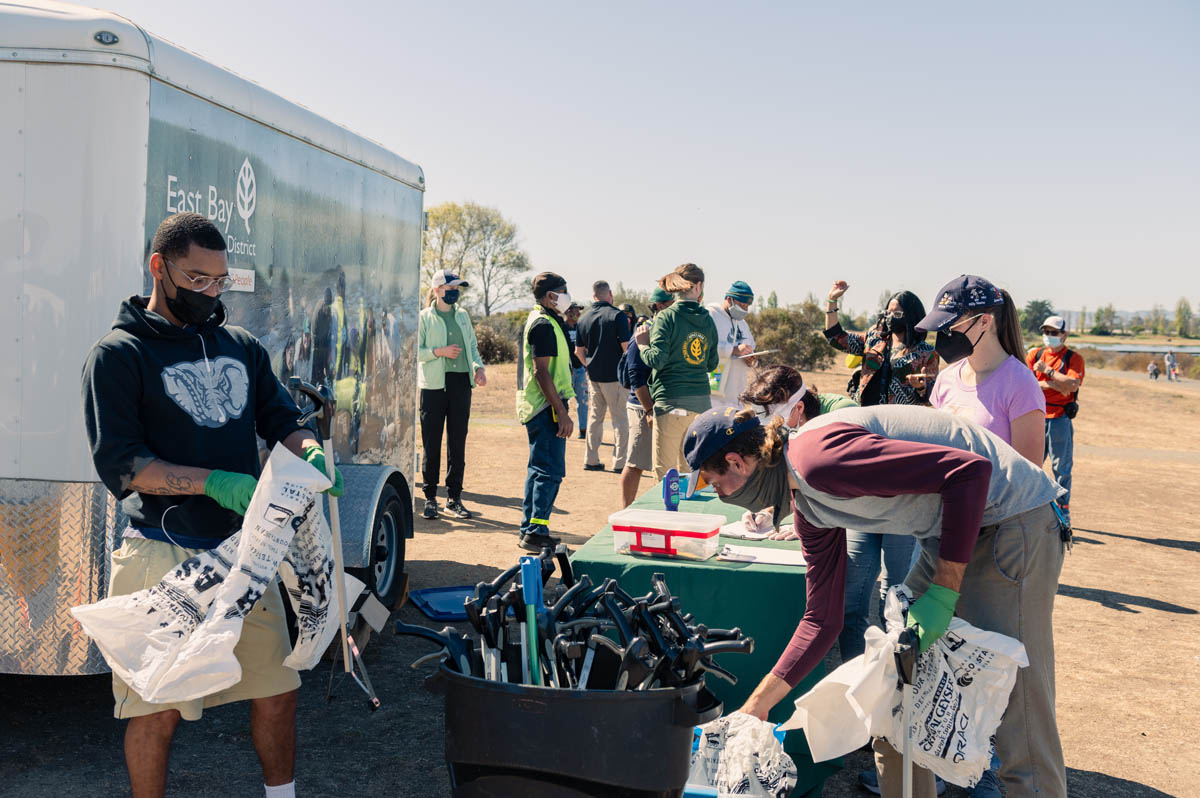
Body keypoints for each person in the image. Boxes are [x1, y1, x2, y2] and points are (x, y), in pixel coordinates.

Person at [81, 212, 343, 798]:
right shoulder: (118, 356)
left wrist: (311, 455)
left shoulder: (240, 346)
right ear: (159, 267)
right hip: (160, 557)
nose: (209, 293)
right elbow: (125, 465)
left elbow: (283, 420)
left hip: (247, 556)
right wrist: (216, 483)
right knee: (158, 710)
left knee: (278, 692)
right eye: (197, 280)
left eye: (219, 281)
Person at [684, 404, 1068, 798]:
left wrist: (943, 592)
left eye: (715, 484)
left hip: (1014, 519)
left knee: (1020, 708)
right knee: (894, 693)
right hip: (948, 532)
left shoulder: (817, 461)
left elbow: (969, 474)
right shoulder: (810, 508)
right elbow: (821, 619)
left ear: (737, 462)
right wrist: (757, 706)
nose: (720, 495)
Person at [874, 276, 1045, 798]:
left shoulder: (1020, 384)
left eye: (950, 327)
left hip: (1002, 542)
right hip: (943, 537)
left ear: (984, 322)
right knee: (912, 661)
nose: (941, 337)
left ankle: (1007, 778)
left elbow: (1029, 474)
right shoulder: (947, 380)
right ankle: (923, 778)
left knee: (1019, 689)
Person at [633, 263, 719, 479]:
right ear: (698, 286)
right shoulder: (707, 319)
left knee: (665, 474)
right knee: (689, 472)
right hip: (700, 405)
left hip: (670, 402)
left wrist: (643, 343)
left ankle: (667, 513)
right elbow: (711, 364)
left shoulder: (666, 317)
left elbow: (657, 360)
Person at [417, 269, 486, 520]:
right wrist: (440, 351)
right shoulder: (424, 317)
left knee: (458, 444)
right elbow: (416, 351)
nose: (455, 292)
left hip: (460, 385)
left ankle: (454, 498)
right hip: (433, 387)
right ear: (437, 290)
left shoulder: (463, 316)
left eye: (457, 288)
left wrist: (478, 368)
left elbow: (472, 347)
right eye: (450, 288)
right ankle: (430, 498)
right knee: (431, 444)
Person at [516, 272, 576, 551]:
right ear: (551, 295)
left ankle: (532, 526)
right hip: (546, 407)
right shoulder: (543, 324)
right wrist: (561, 411)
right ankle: (536, 530)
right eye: (563, 291)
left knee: (539, 468)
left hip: (544, 405)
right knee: (549, 470)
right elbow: (542, 373)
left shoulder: (549, 320)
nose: (566, 296)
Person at [824, 282, 938, 405]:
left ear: (911, 317)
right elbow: (836, 338)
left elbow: (931, 398)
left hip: (898, 420)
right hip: (866, 415)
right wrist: (832, 300)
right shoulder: (874, 339)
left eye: (897, 314)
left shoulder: (927, 353)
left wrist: (920, 388)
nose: (890, 317)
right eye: (888, 313)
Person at [619, 287, 674, 507]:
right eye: (672, 305)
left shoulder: (667, 332)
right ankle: (625, 511)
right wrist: (649, 410)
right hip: (642, 406)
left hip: (663, 406)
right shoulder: (643, 333)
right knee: (636, 463)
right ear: (660, 307)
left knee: (663, 465)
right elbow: (636, 378)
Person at [1026, 315, 1084, 526]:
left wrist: (1047, 372)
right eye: (1046, 332)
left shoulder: (1073, 358)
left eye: (1054, 333)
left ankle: (1062, 509)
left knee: (1062, 468)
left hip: (1060, 418)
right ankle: (1027, 506)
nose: (1049, 337)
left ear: (1064, 335)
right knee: (1030, 465)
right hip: (1036, 416)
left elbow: (1073, 384)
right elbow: (1027, 383)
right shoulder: (1035, 354)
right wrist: (1055, 384)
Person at [575, 280, 632, 472]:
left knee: (595, 418)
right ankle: (620, 462)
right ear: (609, 293)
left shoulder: (583, 318)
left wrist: (589, 365)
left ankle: (590, 459)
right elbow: (626, 348)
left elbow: (578, 352)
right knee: (621, 420)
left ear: (594, 296)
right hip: (615, 377)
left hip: (594, 376)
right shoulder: (618, 316)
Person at [708, 280, 757, 411]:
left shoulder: (743, 324)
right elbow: (705, 347)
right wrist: (733, 350)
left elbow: (751, 347)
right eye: (741, 305)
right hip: (714, 392)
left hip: (736, 393)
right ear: (729, 299)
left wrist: (751, 359)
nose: (745, 310)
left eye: (747, 306)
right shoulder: (711, 315)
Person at [565, 302, 588, 439]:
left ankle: (583, 431)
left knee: (583, 401)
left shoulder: (581, 327)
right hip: (567, 371)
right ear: (568, 311)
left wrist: (586, 365)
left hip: (580, 370)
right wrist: (567, 367)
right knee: (564, 401)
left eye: (579, 311)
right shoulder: (562, 327)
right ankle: (563, 430)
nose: (578, 314)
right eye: (576, 311)